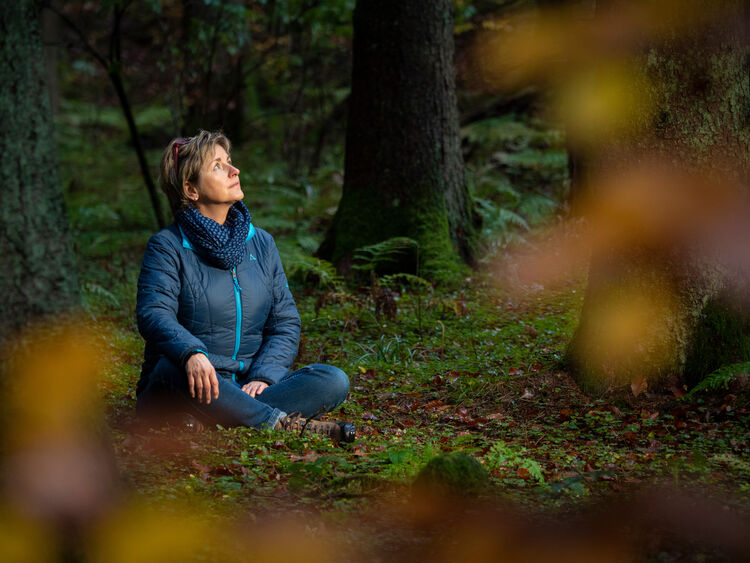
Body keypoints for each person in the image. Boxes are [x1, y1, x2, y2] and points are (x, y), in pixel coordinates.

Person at [135, 130, 354, 442]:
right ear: (191, 189)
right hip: (184, 383)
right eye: (218, 166)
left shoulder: (262, 244)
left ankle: (221, 418)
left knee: (333, 380)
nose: (233, 170)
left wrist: (264, 375)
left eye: (230, 162)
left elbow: (285, 323)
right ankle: (279, 423)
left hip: (246, 386)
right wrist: (191, 353)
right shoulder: (167, 246)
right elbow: (153, 313)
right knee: (172, 367)